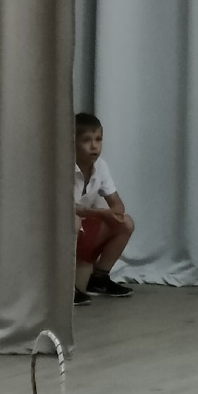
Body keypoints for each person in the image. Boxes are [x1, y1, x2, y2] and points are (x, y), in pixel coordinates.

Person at [74, 112, 136, 305]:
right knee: (72, 221)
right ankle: (66, 286)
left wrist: (112, 214)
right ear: (72, 143)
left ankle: (99, 279)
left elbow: (117, 204)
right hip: (60, 230)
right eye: (86, 140)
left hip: (83, 226)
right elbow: (64, 208)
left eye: (98, 139)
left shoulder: (100, 166)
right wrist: (100, 213)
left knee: (126, 222)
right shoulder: (61, 166)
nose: (94, 146)